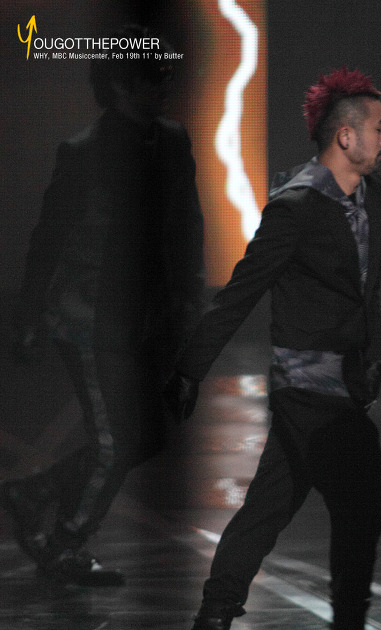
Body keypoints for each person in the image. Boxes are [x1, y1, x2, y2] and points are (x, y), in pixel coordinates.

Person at [164, 67, 381, 630]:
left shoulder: (378, 199)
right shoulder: (296, 207)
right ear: (346, 136)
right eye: (378, 128)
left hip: (347, 382)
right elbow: (242, 291)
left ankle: (215, 611)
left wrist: (375, 356)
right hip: (306, 385)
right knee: (365, 498)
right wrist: (190, 368)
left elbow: (367, 291)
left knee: (269, 504)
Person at [0, 25, 205, 587]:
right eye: (153, 75)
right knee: (117, 441)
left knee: (149, 434)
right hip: (87, 317)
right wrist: (28, 318)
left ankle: (34, 493)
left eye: (166, 73)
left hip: (145, 318)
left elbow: (186, 226)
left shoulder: (173, 141)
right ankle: (66, 541)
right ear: (120, 85)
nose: (165, 84)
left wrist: (191, 298)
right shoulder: (83, 153)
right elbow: (48, 238)